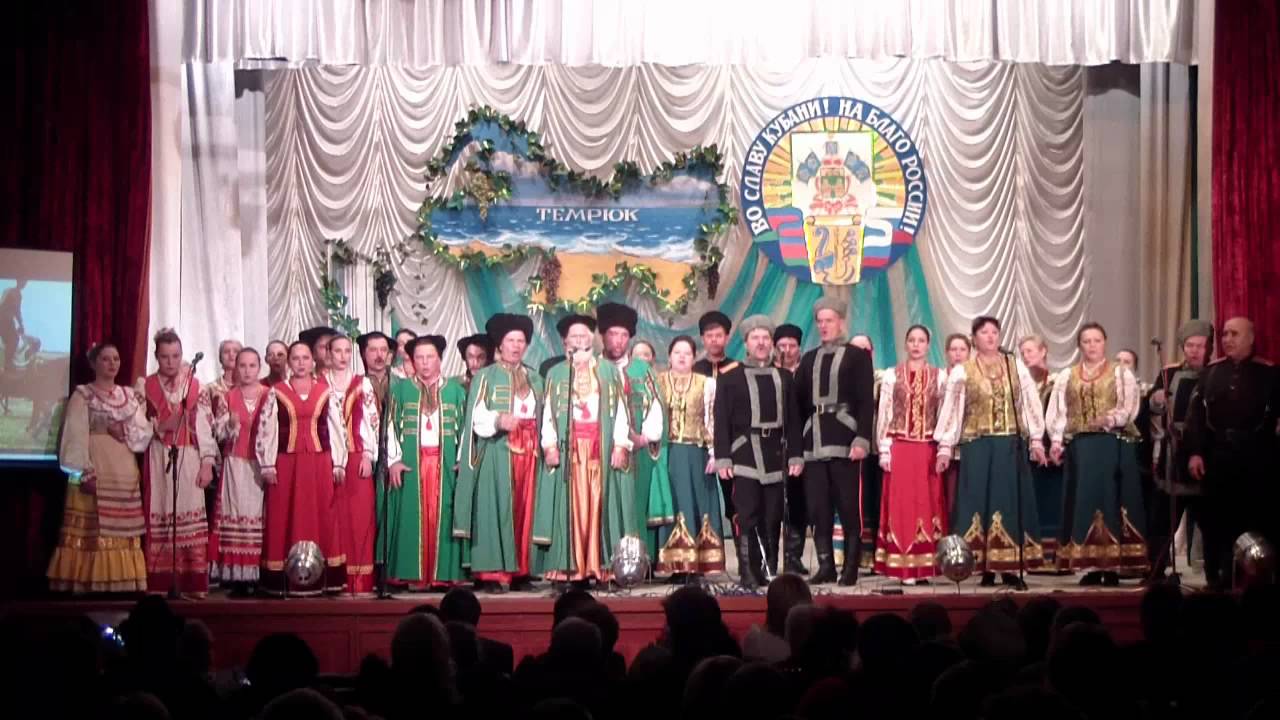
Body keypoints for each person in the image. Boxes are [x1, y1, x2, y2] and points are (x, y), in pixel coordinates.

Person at [935, 316, 1048, 587]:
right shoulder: (964, 371)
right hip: (977, 444)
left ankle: (1010, 566)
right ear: (974, 338)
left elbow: (1029, 401)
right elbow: (953, 408)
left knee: (1008, 501)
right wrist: (945, 447)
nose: (990, 337)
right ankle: (984, 566)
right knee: (979, 501)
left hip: (1009, 444)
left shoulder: (1014, 366)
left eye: (994, 332)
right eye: (984, 332)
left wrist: (1036, 439)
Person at [534, 313, 638, 585]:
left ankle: (598, 566)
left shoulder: (608, 371)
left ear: (592, 339)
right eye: (574, 336)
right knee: (571, 509)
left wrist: (620, 444)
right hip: (570, 452)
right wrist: (549, 445)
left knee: (599, 506)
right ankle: (570, 569)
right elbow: (548, 414)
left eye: (584, 335)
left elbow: (621, 412)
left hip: (599, 449)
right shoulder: (556, 373)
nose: (579, 340)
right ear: (565, 342)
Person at [1046, 322, 1147, 585]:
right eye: (1087, 341)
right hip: (1081, 447)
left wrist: (1110, 419)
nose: (1092, 346)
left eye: (1097, 340)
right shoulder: (1067, 375)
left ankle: (1113, 566)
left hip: (1112, 444)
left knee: (1110, 499)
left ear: (1105, 343)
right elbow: (1059, 411)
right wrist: (1056, 442)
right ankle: (1090, 565)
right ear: (1080, 345)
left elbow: (1129, 406)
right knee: (1085, 501)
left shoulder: (1119, 372)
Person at [47, 342, 151, 593]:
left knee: (122, 529)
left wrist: (124, 429)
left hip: (123, 469)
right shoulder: (84, 395)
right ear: (94, 363)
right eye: (106, 359)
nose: (112, 363)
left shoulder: (128, 396)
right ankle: (88, 581)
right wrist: (84, 471)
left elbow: (141, 434)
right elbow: (75, 434)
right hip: (96, 466)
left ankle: (121, 582)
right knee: (93, 528)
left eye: (116, 358)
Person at [1185, 316, 1280, 590]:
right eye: (1225, 334)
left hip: (1257, 459)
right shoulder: (1211, 372)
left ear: (1251, 338)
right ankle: (1216, 579)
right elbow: (1196, 418)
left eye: (1234, 334)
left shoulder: (1269, 374)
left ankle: (1256, 583)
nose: (1227, 339)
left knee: (1255, 520)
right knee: (1216, 522)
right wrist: (1195, 453)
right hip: (1218, 458)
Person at [454, 313, 544, 592]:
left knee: (525, 510)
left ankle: (521, 572)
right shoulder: (485, 376)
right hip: (498, 450)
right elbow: (475, 417)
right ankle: (492, 573)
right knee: (495, 509)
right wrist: (497, 420)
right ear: (500, 345)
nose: (516, 346)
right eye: (511, 340)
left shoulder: (535, 378)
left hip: (529, 453)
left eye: (521, 341)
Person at [715, 315, 804, 589]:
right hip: (743, 453)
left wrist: (796, 454)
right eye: (755, 338)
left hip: (775, 454)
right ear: (746, 343)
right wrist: (722, 457)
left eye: (766, 338)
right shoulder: (730, 377)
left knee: (772, 515)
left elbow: (793, 419)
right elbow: (721, 420)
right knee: (748, 514)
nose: (761, 343)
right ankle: (748, 571)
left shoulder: (784, 377)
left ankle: (768, 569)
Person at [256, 341, 348, 595]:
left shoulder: (325, 391)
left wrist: (339, 462)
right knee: (284, 516)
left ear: (313, 361)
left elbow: (337, 427)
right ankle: (282, 579)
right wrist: (267, 463)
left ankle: (323, 578)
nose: (301, 363)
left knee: (321, 516)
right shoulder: (277, 392)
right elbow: (267, 428)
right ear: (289, 362)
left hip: (319, 463)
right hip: (287, 464)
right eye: (295, 358)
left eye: (305, 358)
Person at [795, 298, 875, 586]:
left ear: (841, 322)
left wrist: (862, 438)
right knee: (819, 509)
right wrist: (797, 448)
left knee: (848, 507)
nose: (823, 326)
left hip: (845, 440)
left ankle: (850, 567)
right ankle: (826, 565)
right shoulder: (809, 359)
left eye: (829, 320)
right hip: (814, 443)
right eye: (820, 321)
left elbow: (866, 401)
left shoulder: (856, 357)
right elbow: (797, 405)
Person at [137, 328, 216, 597]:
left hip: (189, 456)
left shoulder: (194, 385)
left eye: (175, 356)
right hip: (159, 456)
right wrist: (160, 427)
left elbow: (204, 426)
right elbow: (136, 427)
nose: (171, 362)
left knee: (189, 514)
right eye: (165, 356)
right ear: (156, 356)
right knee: (161, 511)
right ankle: (161, 582)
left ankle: (190, 582)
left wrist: (207, 462)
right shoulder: (145, 386)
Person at [385, 335, 468, 589]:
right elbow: (390, 427)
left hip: (445, 464)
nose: (424, 362)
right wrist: (394, 460)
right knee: (413, 518)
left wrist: (462, 460)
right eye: (419, 357)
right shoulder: (400, 390)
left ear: (440, 359)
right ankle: (413, 575)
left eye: (430, 357)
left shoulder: (456, 391)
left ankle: (444, 574)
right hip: (413, 463)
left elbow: (466, 429)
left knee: (445, 515)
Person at [874, 325, 947, 584]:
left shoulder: (940, 377)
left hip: (927, 447)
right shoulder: (892, 376)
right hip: (901, 447)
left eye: (921, 340)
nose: (916, 345)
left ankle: (924, 565)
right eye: (912, 340)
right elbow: (885, 412)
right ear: (906, 344)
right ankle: (903, 565)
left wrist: (944, 447)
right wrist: (884, 448)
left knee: (926, 503)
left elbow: (943, 414)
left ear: (928, 345)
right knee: (902, 504)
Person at [597, 302, 669, 561]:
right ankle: (602, 561)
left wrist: (643, 438)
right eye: (612, 334)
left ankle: (636, 562)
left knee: (633, 506)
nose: (618, 340)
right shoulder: (593, 369)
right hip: (598, 453)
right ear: (602, 335)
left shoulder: (642, 370)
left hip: (637, 453)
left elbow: (657, 408)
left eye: (624, 335)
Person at [1144, 320, 1211, 583]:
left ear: (1209, 348)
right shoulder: (1169, 373)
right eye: (1189, 345)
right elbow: (1150, 409)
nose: (1194, 351)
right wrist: (1156, 400)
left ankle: (1214, 572)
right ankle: (1156, 569)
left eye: (1200, 346)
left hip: (1204, 454)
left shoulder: (1214, 373)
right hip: (1172, 455)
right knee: (1162, 520)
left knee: (1208, 520)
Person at [655, 335, 723, 576]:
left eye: (687, 353)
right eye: (677, 352)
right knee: (672, 503)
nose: (682, 357)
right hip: (668, 453)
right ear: (669, 357)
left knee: (696, 504)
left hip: (697, 454)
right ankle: (673, 565)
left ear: (694, 358)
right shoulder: (658, 381)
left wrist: (714, 454)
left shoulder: (706, 384)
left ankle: (697, 566)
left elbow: (711, 419)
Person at [208, 347, 268, 594]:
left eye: (252, 366)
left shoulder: (269, 394)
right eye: (242, 365)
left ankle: (258, 574)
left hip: (260, 464)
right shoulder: (228, 396)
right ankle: (236, 576)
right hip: (235, 464)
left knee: (258, 514)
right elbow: (218, 433)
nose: (247, 371)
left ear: (259, 367)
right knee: (235, 512)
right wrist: (230, 424)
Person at [325, 334, 380, 595]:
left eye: (347, 351)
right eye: (338, 351)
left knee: (358, 517)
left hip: (357, 454)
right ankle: (334, 577)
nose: (343, 356)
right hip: (327, 458)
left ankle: (359, 580)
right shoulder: (320, 384)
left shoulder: (362, 384)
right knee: (333, 517)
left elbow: (372, 420)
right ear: (328, 354)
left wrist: (368, 454)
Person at [1019, 333, 1064, 565]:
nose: (1026, 356)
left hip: (1051, 449)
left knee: (1051, 500)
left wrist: (1055, 443)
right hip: (1027, 450)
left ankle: (1054, 553)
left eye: (1030, 350)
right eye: (1023, 352)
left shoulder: (1056, 382)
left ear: (1043, 351)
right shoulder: (1022, 384)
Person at [773, 323, 808, 575]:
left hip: (802, 442)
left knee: (798, 501)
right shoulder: (768, 372)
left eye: (791, 345)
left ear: (799, 348)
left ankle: (793, 556)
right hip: (773, 445)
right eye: (782, 345)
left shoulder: (806, 372)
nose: (787, 350)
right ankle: (771, 557)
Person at [941, 333, 972, 519]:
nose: (958, 354)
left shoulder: (974, 378)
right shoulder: (940, 377)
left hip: (968, 444)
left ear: (969, 353)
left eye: (962, 349)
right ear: (947, 353)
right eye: (953, 349)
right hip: (943, 446)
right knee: (946, 492)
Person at [0, 278, 25, 374]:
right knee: (14, 339)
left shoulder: (14, 293)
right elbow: (16, 310)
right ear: (18, 281)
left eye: (25, 282)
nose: (24, 283)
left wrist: (20, 324)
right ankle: (8, 364)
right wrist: (21, 325)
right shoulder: (13, 293)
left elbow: (16, 311)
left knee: (12, 340)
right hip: (5, 320)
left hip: (7, 320)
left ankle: (8, 364)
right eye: (23, 281)